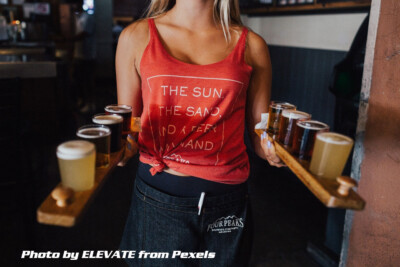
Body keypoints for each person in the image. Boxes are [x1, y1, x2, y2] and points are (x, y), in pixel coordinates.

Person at [116, 0, 284, 266]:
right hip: (159, 200)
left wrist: (278, 151)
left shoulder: (252, 45)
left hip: (227, 204)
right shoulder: (136, 36)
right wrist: (115, 150)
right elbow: (129, 129)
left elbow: (260, 136)